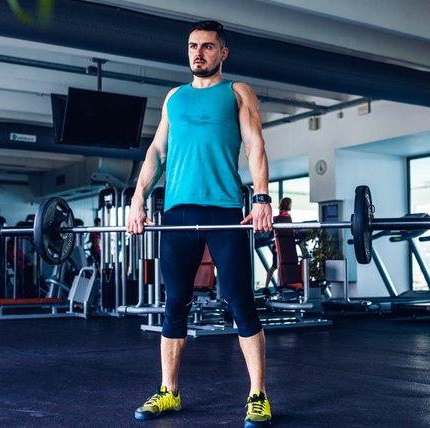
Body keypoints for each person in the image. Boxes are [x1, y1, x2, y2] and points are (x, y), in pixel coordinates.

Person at [126, 20, 273, 427]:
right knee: (175, 304)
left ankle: (257, 395)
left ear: (222, 53)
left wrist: (261, 197)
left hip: (225, 210)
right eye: (193, 46)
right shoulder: (174, 97)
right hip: (177, 214)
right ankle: (168, 392)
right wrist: (137, 200)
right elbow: (156, 150)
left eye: (208, 47)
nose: (198, 53)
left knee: (240, 301)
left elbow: (255, 144)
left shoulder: (237, 92)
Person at [264, 197, 292, 292]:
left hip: (276, 245)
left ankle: (266, 287)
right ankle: (281, 285)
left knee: (274, 266)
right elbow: (288, 231)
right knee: (280, 265)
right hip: (280, 246)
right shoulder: (286, 216)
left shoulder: (279, 217)